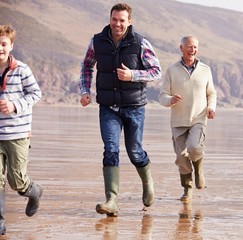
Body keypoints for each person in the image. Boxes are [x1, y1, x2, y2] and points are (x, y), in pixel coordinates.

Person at [79, 3, 162, 216]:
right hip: (108, 106)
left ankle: (147, 182)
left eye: (122, 20)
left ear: (129, 21)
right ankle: (112, 200)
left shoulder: (140, 42)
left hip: (134, 106)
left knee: (134, 151)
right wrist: (85, 90)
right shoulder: (97, 41)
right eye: (114, 19)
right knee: (111, 149)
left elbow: (155, 72)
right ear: (110, 19)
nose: (117, 24)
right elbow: (87, 66)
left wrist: (133, 75)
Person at [159, 35, 217, 202]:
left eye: (195, 47)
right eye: (189, 47)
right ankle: (187, 188)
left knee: (194, 147)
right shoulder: (172, 70)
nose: (193, 50)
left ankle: (198, 169)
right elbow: (163, 95)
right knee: (181, 157)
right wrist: (170, 100)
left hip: (198, 118)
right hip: (178, 121)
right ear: (181, 48)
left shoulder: (205, 69)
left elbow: (211, 93)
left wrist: (211, 108)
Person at [0, 24, 43, 235]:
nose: (0, 47)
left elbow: (35, 94)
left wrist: (14, 105)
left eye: (3, 44)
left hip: (17, 134)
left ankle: (34, 192)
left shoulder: (22, 69)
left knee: (16, 181)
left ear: (11, 46)